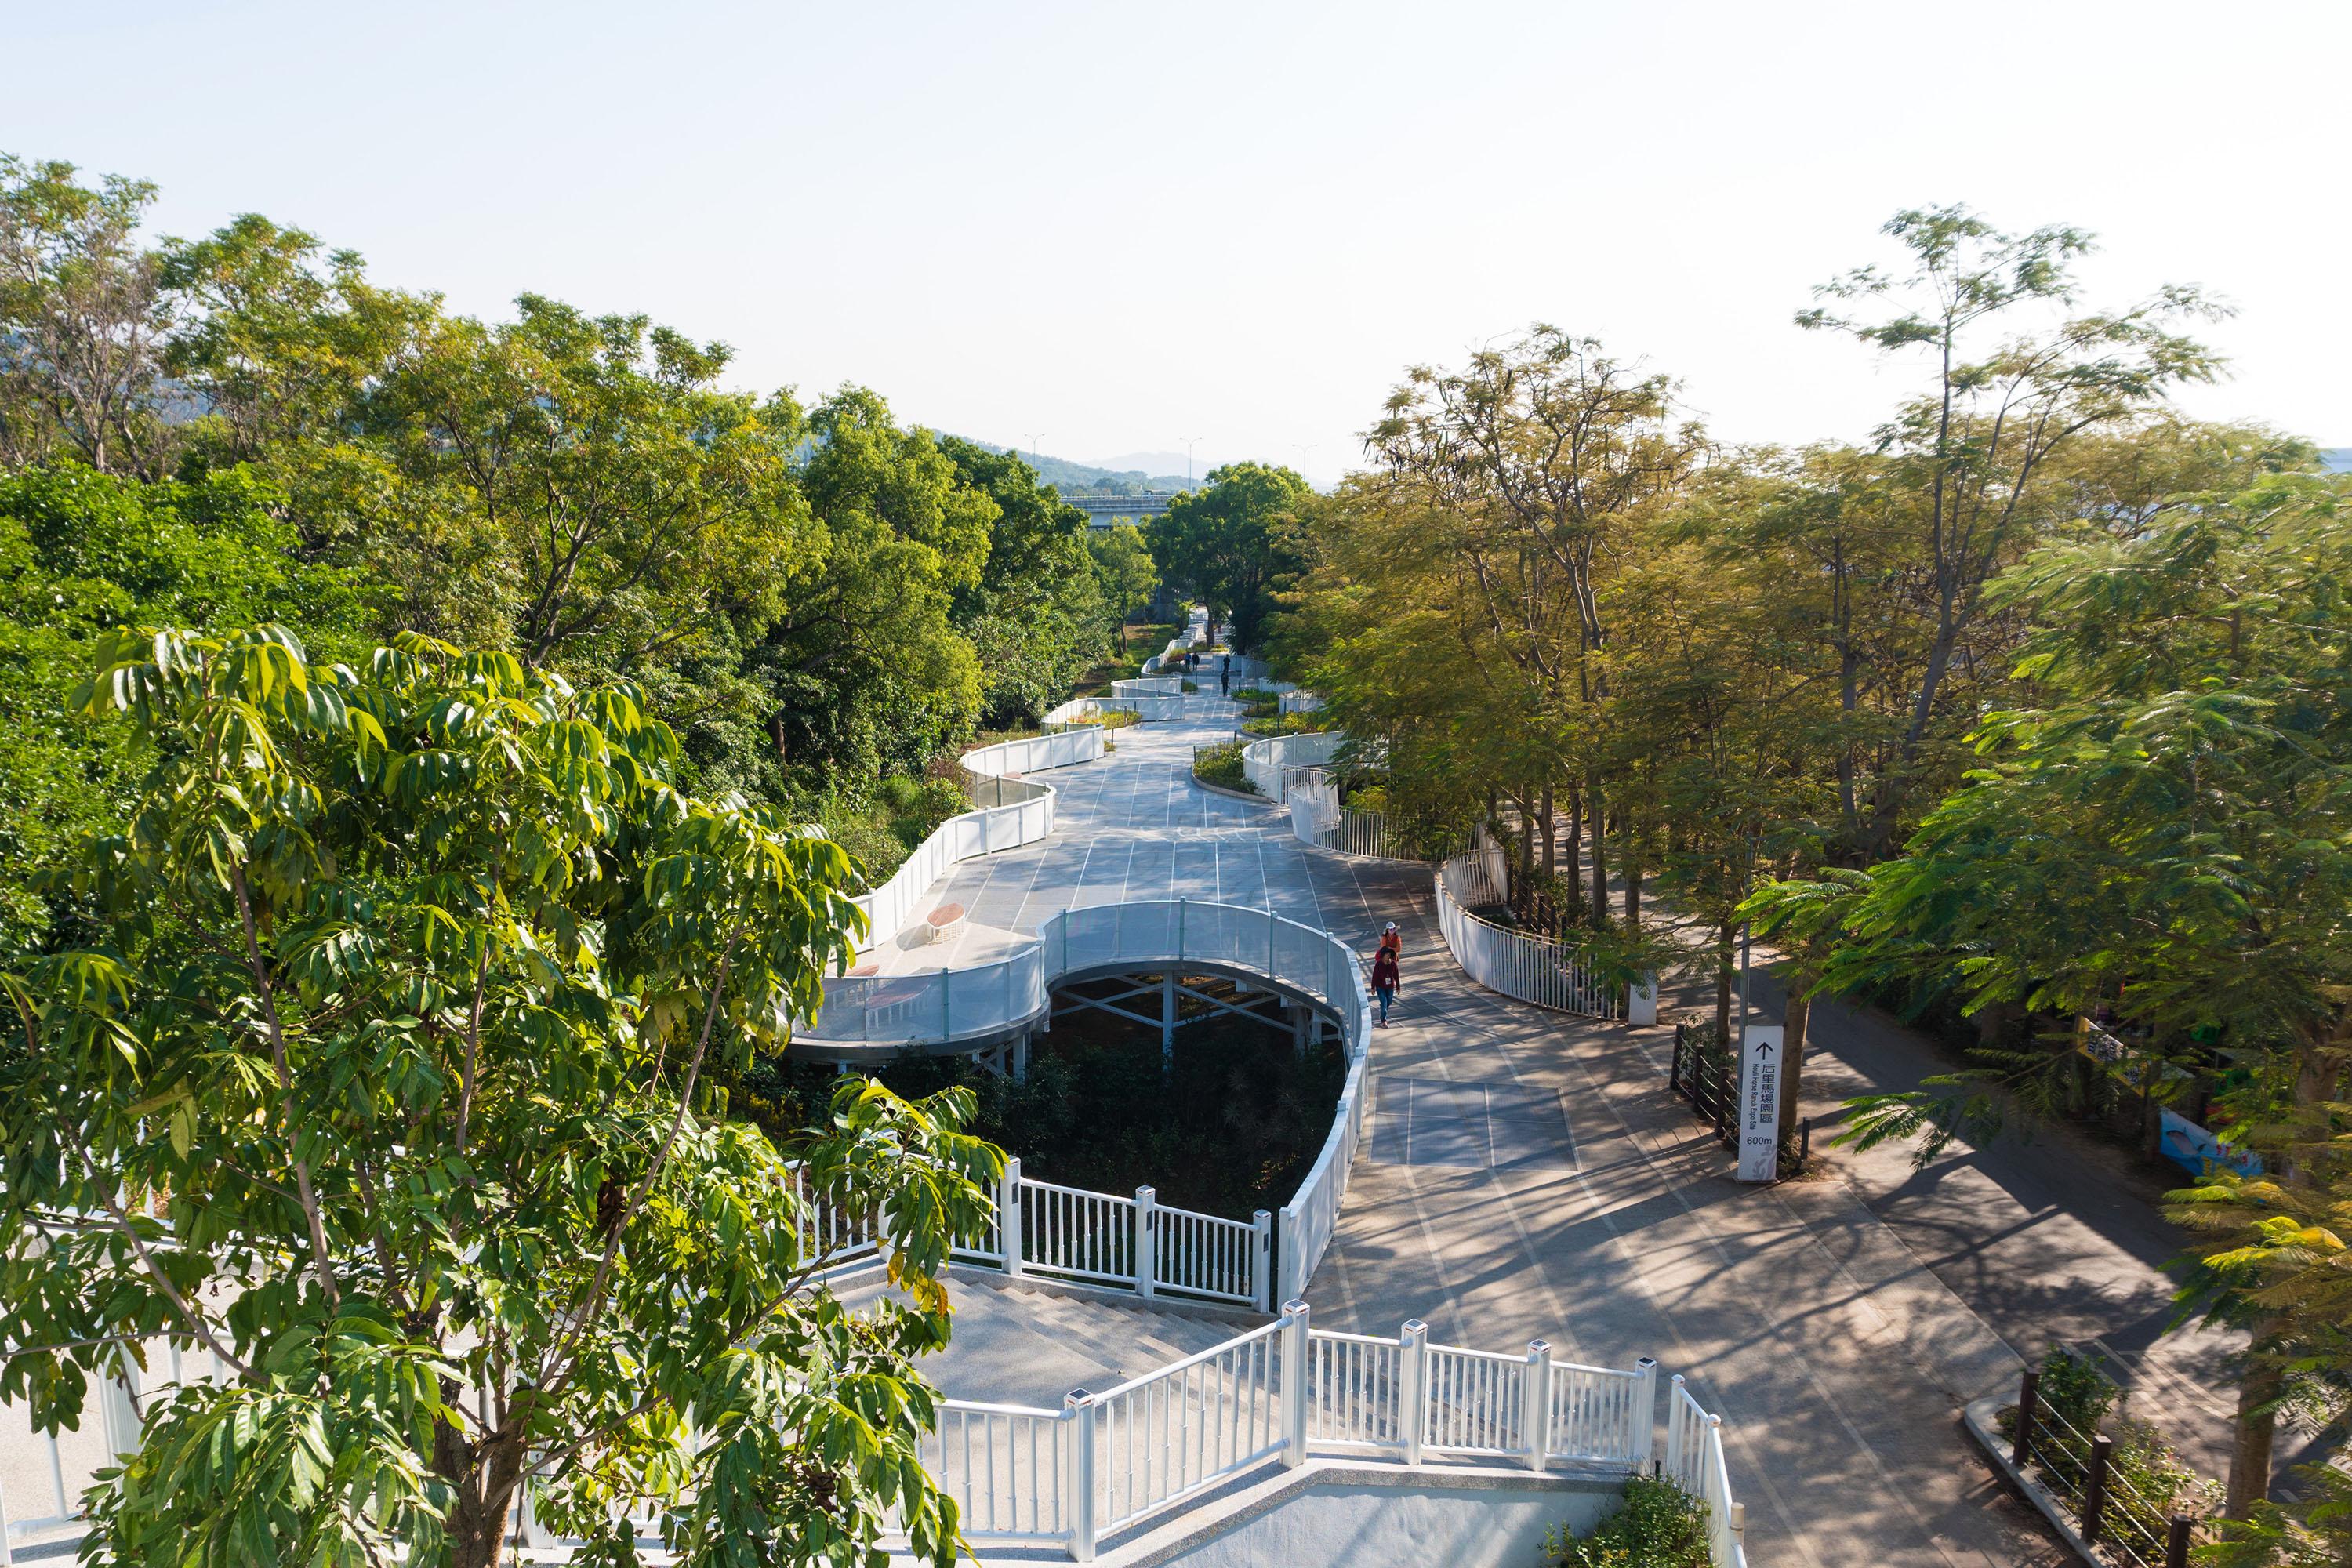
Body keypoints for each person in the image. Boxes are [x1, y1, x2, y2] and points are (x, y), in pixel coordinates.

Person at [1370, 935, 1401, 1026]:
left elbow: (1396, 976)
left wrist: (1398, 987)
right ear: (1383, 956)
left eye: (1390, 955)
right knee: (1384, 1003)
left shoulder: (1393, 964)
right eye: (1387, 955)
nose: (1389, 956)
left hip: (1390, 986)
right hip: (1380, 987)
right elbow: (1374, 976)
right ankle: (1383, 1020)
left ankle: (1383, 1009)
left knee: (1389, 1002)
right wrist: (1373, 987)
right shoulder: (1378, 965)